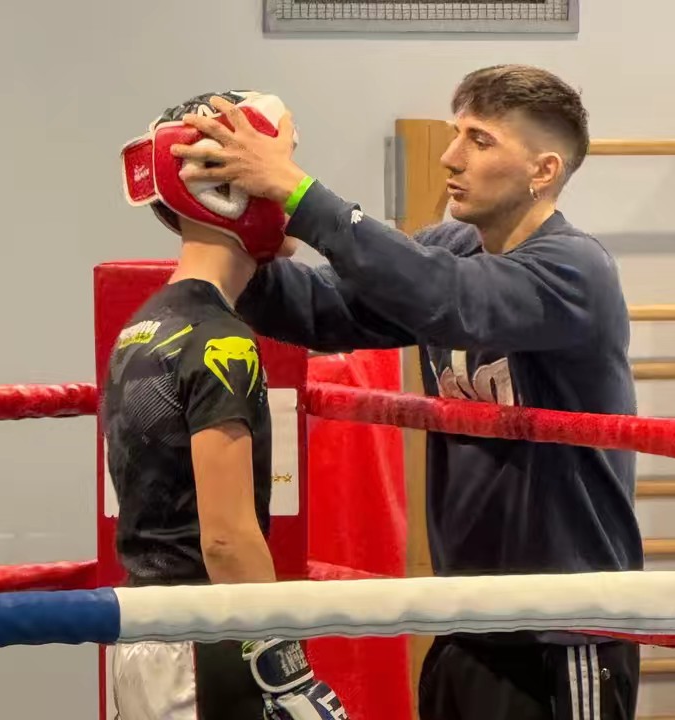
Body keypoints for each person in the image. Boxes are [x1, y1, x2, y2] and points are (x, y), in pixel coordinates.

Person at [171, 65, 644, 720]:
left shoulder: (575, 270)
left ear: (543, 171)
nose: (452, 156)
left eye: (480, 140)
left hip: (563, 632)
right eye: (456, 133)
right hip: (464, 621)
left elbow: (451, 300)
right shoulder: (450, 248)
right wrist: (217, 216)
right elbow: (321, 310)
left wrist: (297, 190)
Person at [103, 91, 349, 720]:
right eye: (272, 167)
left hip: (146, 631)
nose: (288, 188)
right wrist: (283, 663)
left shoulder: (144, 325)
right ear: (230, 193)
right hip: (205, 636)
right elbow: (226, 536)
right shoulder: (221, 341)